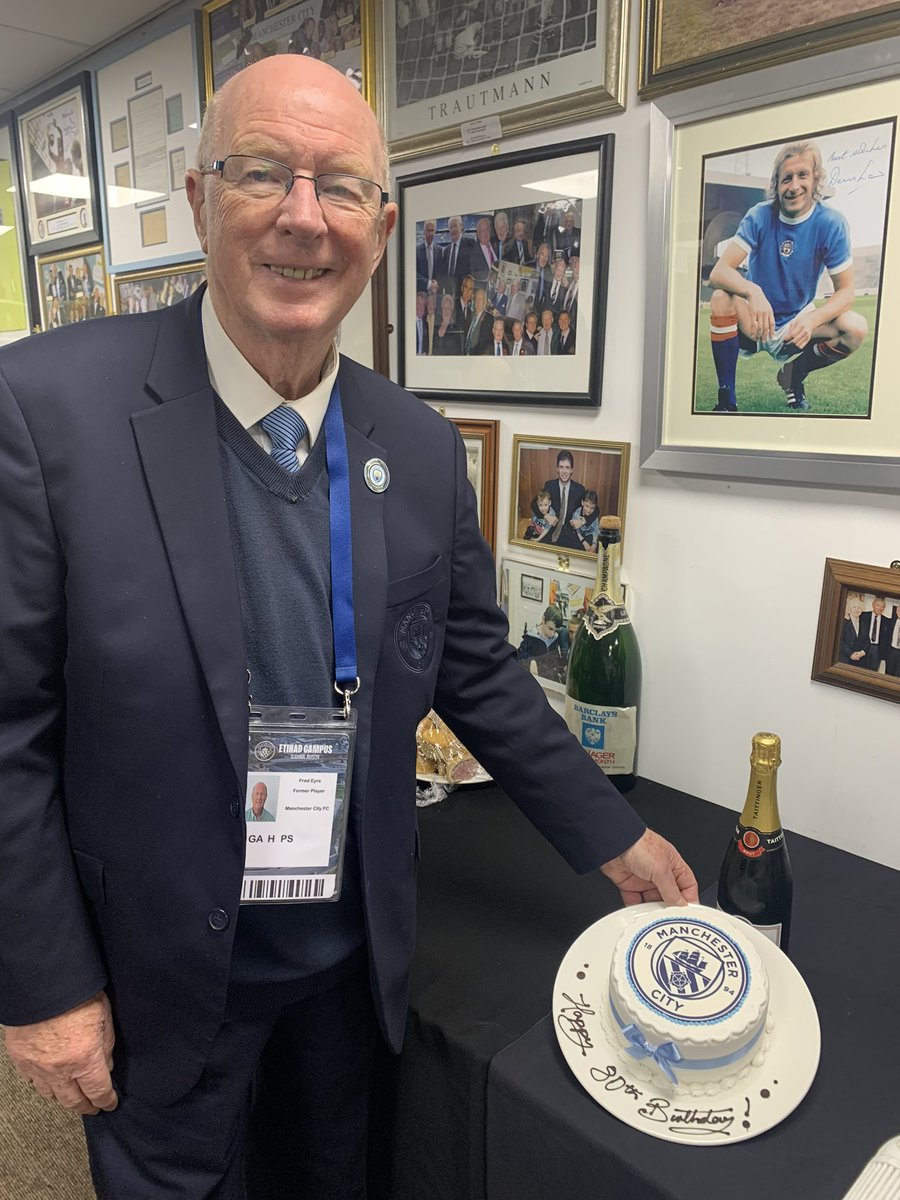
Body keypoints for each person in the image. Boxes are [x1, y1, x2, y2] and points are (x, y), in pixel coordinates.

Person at [0, 54, 697, 1200]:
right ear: (196, 199)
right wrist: (41, 988)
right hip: (155, 971)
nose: (302, 220)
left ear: (382, 224)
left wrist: (607, 834)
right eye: (263, 172)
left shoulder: (416, 445)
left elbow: (473, 662)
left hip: (346, 955)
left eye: (342, 188)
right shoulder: (43, 411)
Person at [708, 139, 868, 413]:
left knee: (855, 327)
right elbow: (719, 272)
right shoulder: (759, 216)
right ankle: (727, 400)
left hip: (796, 323)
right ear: (777, 184)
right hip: (756, 321)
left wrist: (812, 319)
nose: (794, 186)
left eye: (802, 175)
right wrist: (753, 292)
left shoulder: (831, 222)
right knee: (721, 297)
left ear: (816, 178)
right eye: (786, 178)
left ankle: (793, 374)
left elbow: (846, 291)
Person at [534, 448, 586, 551]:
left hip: (571, 534)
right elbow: (533, 504)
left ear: (572, 470)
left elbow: (595, 509)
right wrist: (546, 515)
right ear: (557, 469)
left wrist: (583, 520)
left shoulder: (580, 489)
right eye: (561, 467)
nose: (564, 471)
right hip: (551, 530)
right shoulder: (549, 485)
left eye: (567, 467)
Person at [856, 596, 893, 671]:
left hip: (877, 650)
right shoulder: (863, 616)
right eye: (878, 605)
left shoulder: (887, 621)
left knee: (873, 671)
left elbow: (887, 639)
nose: (880, 608)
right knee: (860, 669)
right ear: (873, 605)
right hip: (863, 647)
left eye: (882, 606)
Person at [415, 217, 440, 294]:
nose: (430, 234)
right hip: (420, 295)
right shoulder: (417, 250)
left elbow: (441, 273)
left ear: (435, 231)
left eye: (432, 230)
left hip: (435, 295)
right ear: (424, 232)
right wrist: (429, 284)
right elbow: (415, 273)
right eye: (428, 230)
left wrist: (436, 285)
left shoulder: (439, 250)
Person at [839, 593, 865, 665]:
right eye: (854, 607)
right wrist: (850, 654)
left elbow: (867, 641)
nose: (857, 610)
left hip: (858, 661)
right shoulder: (843, 622)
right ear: (849, 608)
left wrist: (862, 652)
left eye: (859, 608)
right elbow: (839, 641)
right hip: (844, 659)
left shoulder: (863, 624)